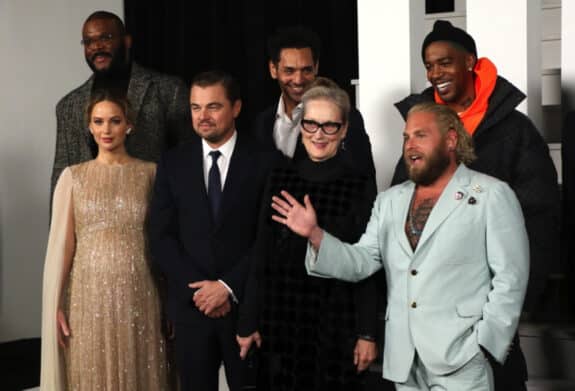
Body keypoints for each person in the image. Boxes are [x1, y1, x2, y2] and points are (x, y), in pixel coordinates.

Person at [272, 102, 529, 391]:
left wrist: (484, 344)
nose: (410, 145)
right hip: (404, 362)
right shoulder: (389, 200)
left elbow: (511, 278)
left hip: (462, 359)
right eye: (406, 137)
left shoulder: (491, 195)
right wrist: (315, 234)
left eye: (421, 135)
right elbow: (362, 261)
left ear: (451, 139)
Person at [392, 20, 560, 390]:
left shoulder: (514, 132)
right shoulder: (420, 129)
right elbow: (399, 213)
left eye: (445, 62)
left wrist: (513, 304)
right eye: (429, 65)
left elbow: (541, 218)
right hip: (429, 303)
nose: (435, 73)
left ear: (470, 61)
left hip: (487, 304)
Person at [239, 82, 384, 390]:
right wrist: (248, 320)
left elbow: (369, 263)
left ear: (344, 130)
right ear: (301, 125)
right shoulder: (279, 176)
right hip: (279, 323)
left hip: (336, 326)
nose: (318, 134)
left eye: (329, 126)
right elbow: (261, 251)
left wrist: (367, 333)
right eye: (311, 123)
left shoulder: (359, 184)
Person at [148, 70, 272, 391]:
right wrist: (201, 293)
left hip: (246, 309)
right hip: (192, 311)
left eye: (213, 107)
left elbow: (268, 238)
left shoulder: (266, 162)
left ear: (237, 107)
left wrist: (227, 287)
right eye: (195, 107)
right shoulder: (172, 163)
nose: (203, 117)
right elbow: (161, 237)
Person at [41, 90, 168, 390]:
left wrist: (170, 298)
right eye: (98, 122)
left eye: (114, 121)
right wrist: (56, 303)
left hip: (142, 293)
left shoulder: (151, 174)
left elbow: (163, 241)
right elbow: (63, 248)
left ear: (129, 125)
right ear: (89, 126)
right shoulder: (73, 177)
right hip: (87, 297)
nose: (106, 130)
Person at [51, 10, 192, 199]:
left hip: (152, 217)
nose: (96, 47)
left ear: (126, 41)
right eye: (89, 42)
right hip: (89, 222)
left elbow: (189, 161)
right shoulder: (68, 106)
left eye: (105, 38)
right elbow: (60, 179)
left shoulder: (168, 90)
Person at [251, 25, 376, 179]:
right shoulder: (262, 122)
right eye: (289, 71)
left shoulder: (346, 115)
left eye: (306, 70)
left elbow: (365, 181)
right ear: (273, 69)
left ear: (316, 67)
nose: (298, 80)